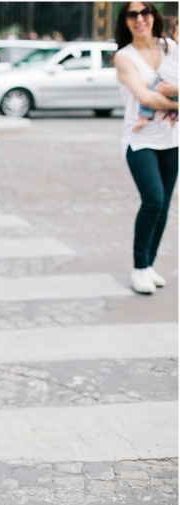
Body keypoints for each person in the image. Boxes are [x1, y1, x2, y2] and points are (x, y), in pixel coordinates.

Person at [114, 2, 179, 294]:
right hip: (139, 141)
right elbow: (147, 98)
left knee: (164, 205)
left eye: (145, 12)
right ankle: (139, 267)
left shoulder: (169, 46)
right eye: (132, 14)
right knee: (152, 199)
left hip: (171, 138)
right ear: (125, 21)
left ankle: (150, 264)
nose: (140, 19)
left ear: (154, 16)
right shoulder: (123, 57)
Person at [132, 16, 178, 132]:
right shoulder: (172, 47)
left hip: (174, 84)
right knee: (151, 94)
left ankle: (144, 116)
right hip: (166, 80)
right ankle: (144, 117)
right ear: (173, 34)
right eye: (179, 34)